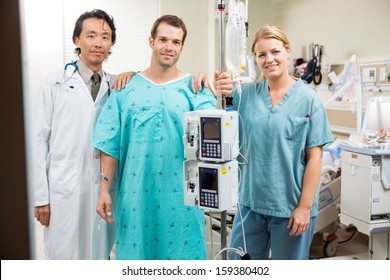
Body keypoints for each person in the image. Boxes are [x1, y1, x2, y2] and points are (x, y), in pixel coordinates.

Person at [93, 15, 230, 260]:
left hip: (183, 202)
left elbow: (216, 145)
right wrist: (104, 189)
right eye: (163, 39)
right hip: (136, 199)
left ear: (182, 47)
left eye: (176, 42)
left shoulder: (196, 90)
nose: (169, 47)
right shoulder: (126, 88)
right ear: (151, 41)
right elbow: (110, 144)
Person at [218, 24, 333, 260]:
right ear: (255, 59)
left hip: (290, 207)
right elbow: (219, 112)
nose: (269, 59)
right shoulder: (245, 95)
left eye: (275, 52)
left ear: (288, 51)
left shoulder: (309, 101)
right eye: (262, 54)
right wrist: (217, 85)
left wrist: (303, 207)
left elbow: (315, 157)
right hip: (250, 204)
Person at [32, 9, 118, 260]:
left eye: (105, 37)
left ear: (111, 43)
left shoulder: (116, 86)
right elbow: (38, 143)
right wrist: (40, 198)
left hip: (102, 190)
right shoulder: (55, 84)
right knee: (64, 257)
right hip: (63, 191)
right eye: (91, 35)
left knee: (99, 255)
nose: (98, 43)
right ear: (76, 40)